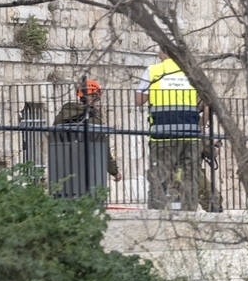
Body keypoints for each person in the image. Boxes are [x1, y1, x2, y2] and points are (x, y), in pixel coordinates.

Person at [135, 52, 202, 210]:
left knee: (159, 178)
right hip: (190, 134)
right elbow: (203, 101)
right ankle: (189, 215)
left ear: (162, 53)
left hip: (163, 134)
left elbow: (139, 100)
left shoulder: (153, 71)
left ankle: (156, 216)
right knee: (190, 178)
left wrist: (157, 92)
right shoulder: (191, 72)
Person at [53, 79, 121, 183]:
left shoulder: (60, 117)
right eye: (97, 99)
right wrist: (114, 172)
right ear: (90, 99)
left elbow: (53, 142)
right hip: (86, 172)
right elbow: (104, 149)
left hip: (63, 170)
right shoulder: (93, 121)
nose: (98, 103)